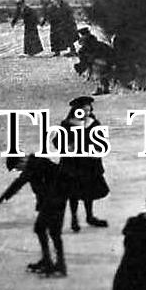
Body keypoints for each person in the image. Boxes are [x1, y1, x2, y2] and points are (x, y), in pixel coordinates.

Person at [0, 154, 69, 277]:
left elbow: (17, 184)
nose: (19, 170)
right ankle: (51, 262)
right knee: (49, 231)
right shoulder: (34, 163)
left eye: (17, 167)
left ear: (21, 160)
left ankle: (54, 264)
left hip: (55, 200)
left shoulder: (34, 164)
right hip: (54, 199)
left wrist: (0, 200)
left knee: (44, 229)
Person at [58, 95, 110, 232]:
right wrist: (68, 146)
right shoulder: (67, 124)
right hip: (73, 163)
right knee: (73, 191)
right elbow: (57, 141)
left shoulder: (93, 123)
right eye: (84, 110)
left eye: (88, 110)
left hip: (89, 162)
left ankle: (89, 216)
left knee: (88, 190)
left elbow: (101, 139)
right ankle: (74, 218)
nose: (87, 113)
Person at [74, 28, 115, 95]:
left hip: (105, 62)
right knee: (98, 70)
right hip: (109, 62)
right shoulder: (96, 45)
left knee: (96, 70)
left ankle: (101, 88)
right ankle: (105, 87)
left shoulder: (89, 48)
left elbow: (88, 59)